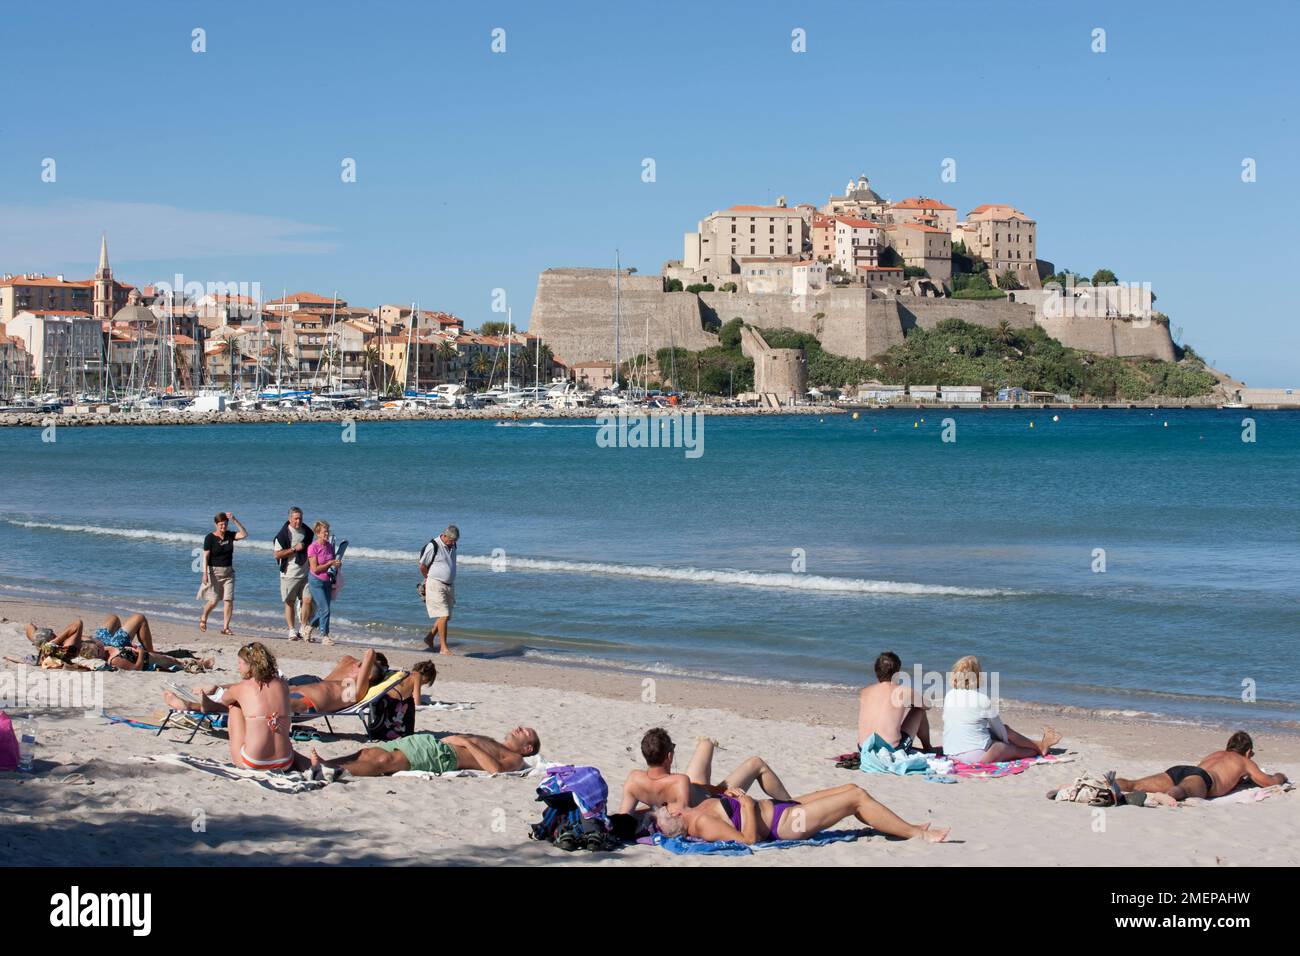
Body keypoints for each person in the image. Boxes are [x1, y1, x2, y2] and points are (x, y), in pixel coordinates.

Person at [654, 782, 950, 846]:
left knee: (851, 787)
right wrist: (745, 805)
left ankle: (906, 826)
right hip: (785, 824)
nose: (669, 803)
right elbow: (748, 840)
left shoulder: (699, 808)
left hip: (781, 807)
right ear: (677, 815)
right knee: (856, 798)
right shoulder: (703, 823)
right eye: (667, 808)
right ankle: (919, 834)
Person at [617, 728, 795, 813]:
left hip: (696, 788)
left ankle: (709, 743)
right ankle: (792, 805)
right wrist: (724, 791)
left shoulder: (634, 779)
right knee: (757, 763)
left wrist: (648, 811)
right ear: (669, 757)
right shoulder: (680, 781)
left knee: (705, 745)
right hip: (713, 799)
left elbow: (625, 816)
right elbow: (686, 815)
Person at [1109, 732, 1289, 803]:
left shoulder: (1216, 754)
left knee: (1135, 784)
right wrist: (1282, 775)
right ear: (1248, 752)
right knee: (1181, 791)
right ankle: (1165, 797)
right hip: (1202, 779)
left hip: (1182, 770)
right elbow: (1270, 782)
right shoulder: (1245, 762)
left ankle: (1105, 783)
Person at [941, 655, 1060, 763]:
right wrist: (1006, 743)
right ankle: (1039, 748)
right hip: (977, 757)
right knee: (1012, 747)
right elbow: (1001, 732)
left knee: (990, 733)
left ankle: (1040, 745)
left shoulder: (950, 695)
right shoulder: (982, 699)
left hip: (950, 753)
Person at [311, 726, 540, 777]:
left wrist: (466, 743)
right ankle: (321, 763)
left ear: (528, 748)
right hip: (432, 743)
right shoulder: (497, 744)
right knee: (370, 751)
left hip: (440, 756)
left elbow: (495, 770)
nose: (519, 728)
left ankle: (329, 768)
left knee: (385, 760)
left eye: (525, 732)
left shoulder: (516, 758)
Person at [220, 642, 308, 771]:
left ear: (249, 665)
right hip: (285, 761)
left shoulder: (241, 688)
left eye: (240, 663)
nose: (238, 667)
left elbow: (224, 700)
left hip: (253, 762)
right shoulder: (282, 684)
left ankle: (246, 750)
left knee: (234, 705)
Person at [30, 613, 211, 672]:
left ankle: (140, 648)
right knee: (139, 618)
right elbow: (77, 623)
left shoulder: (53, 646)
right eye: (53, 634)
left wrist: (43, 643)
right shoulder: (64, 647)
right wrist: (54, 641)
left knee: (113, 618)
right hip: (110, 646)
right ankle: (150, 650)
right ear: (51, 640)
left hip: (99, 640)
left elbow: (28, 627)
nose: (56, 633)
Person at [858, 650, 933, 751]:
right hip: (891, 751)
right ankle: (928, 748)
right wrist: (912, 703)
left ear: (876, 670)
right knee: (919, 711)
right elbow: (927, 705)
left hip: (863, 749)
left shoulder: (865, 692)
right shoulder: (903, 691)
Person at [199, 511, 247, 635]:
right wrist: (204, 573)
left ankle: (225, 627)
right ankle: (204, 617)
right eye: (220, 524)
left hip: (229, 573)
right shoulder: (209, 538)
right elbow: (205, 556)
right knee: (214, 600)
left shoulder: (230, 535)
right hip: (214, 572)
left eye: (225, 524)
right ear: (216, 524)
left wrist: (235, 519)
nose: (223, 527)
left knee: (228, 600)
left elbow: (244, 534)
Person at [271, 506, 314, 641]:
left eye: (300, 518)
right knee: (289, 602)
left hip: (306, 573)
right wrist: (294, 549)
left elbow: (312, 549)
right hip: (289, 574)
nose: (298, 521)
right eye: (295, 518)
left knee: (307, 600)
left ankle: (303, 627)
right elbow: (277, 555)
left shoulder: (307, 532)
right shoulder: (282, 535)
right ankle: (291, 630)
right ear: (289, 519)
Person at [419, 524, 458, 655]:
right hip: (435, 584)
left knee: (445, 617)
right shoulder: (433, 546)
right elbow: (422, 565)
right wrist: (428, 578)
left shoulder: (452, 545)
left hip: (449, 585)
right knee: (443, 614)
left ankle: (429, 638)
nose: (453, 543)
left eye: (455, 541)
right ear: (444, 535)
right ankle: (443, 648)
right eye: (451, 540)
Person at [305, 520, 342, 644]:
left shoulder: (330, 546)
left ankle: (308, 628)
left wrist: (337, 565)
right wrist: (329, 563)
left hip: (327, 581)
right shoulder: (312, 548)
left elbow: (331, 565)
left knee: (323, 610)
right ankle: (324, 636)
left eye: (327, 531)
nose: (327, 534)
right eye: (324, 532)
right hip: (316, 581)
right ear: (318, 533)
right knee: (325, 609)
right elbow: (315, 569)